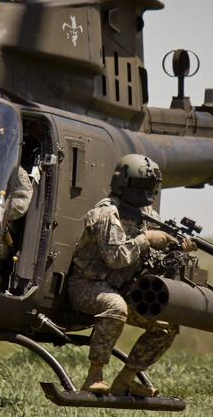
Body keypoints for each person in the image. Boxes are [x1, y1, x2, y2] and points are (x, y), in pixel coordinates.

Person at [67, 154, 196, 398]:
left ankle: (126, 379)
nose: (145, 192)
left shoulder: (147, 214)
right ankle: (94, 376)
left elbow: (154, 252)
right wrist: (147, 239)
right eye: (139, 186)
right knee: (115, 307)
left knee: (167, 324)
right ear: (123, 183)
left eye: (149, 187)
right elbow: (116, 258)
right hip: (86, 285)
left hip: (123, 288)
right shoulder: (106, 213)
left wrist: (176, 245)